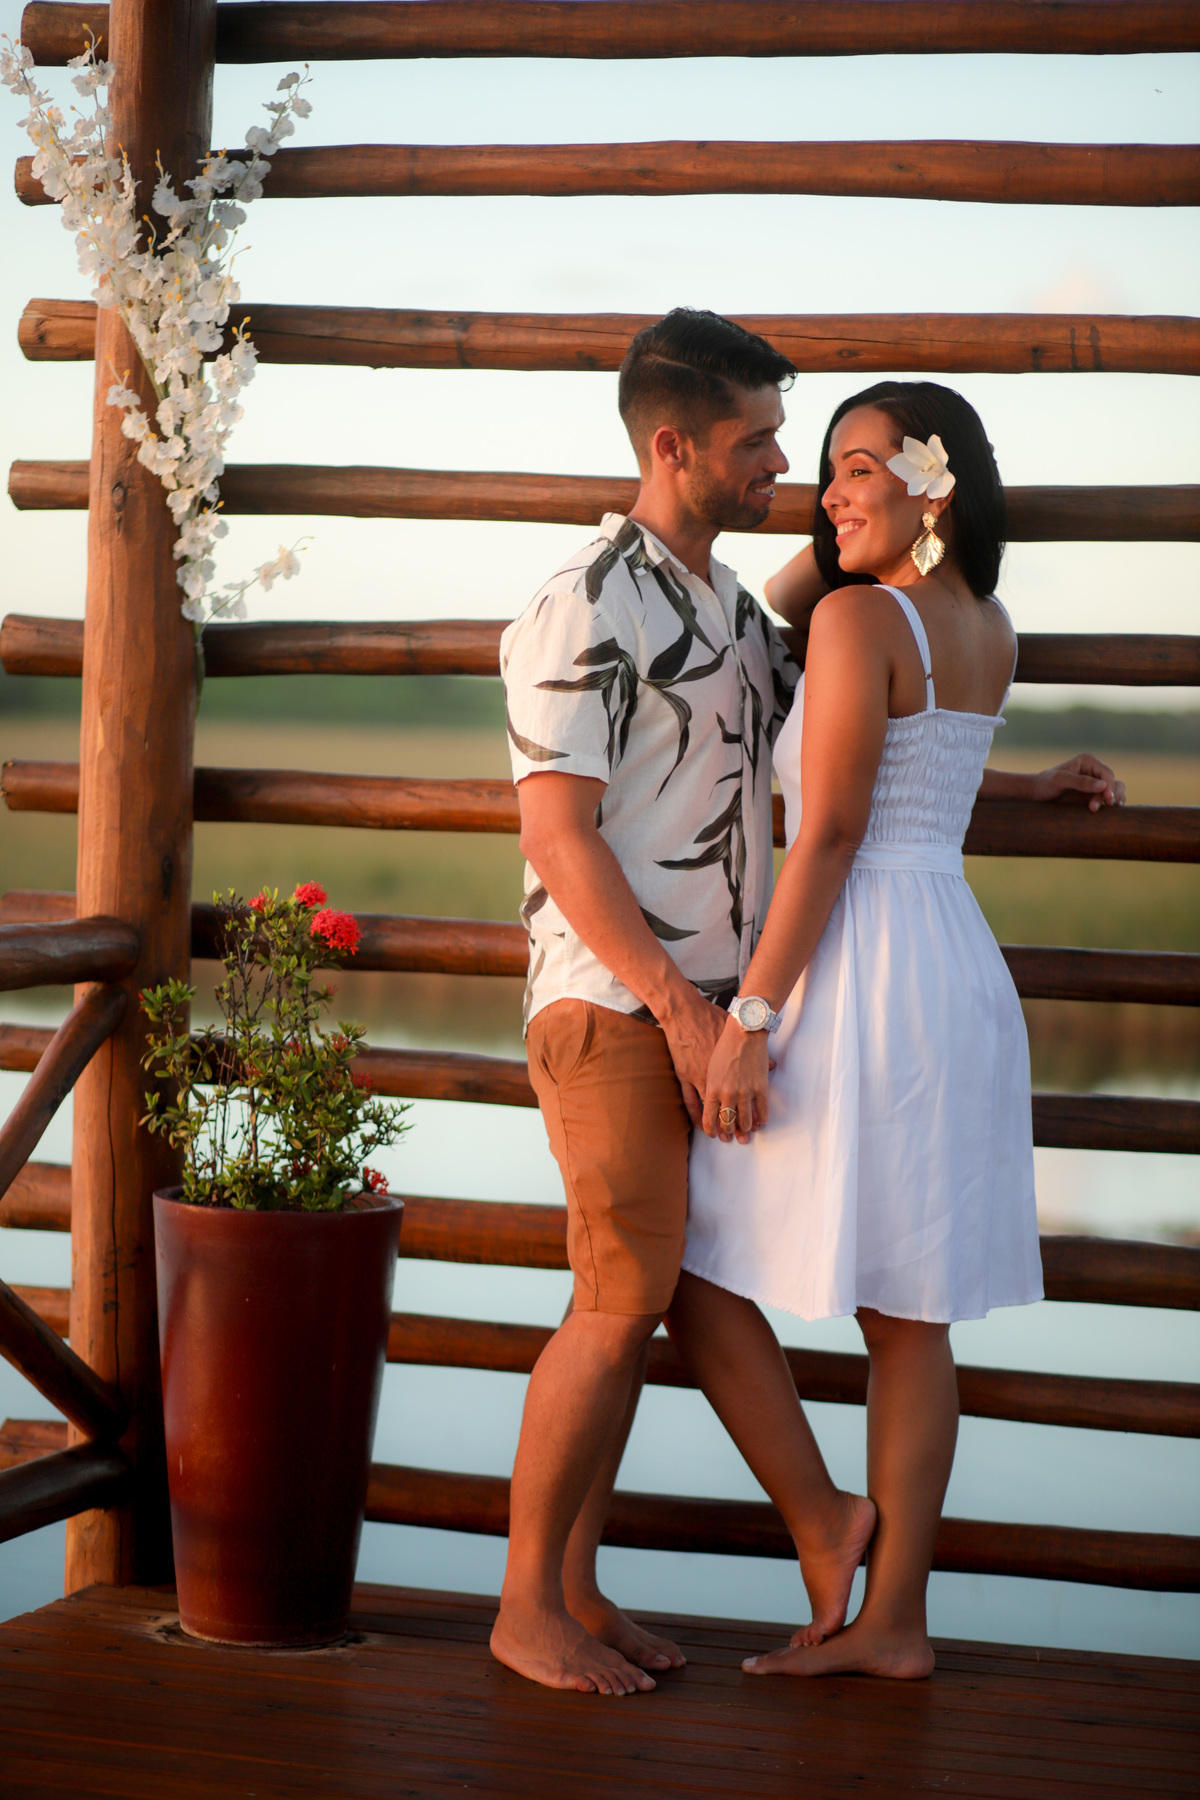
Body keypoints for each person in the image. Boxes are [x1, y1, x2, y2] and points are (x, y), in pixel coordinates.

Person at [678, 380, 1124, 1680]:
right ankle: (898, 1624)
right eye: (822, 472)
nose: (827, 493)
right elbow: (929, 771)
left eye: (857, 469)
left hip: (856, 964)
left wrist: (751, 1015)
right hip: (950, 965)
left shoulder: (862, 614)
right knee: (909, 1318)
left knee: (699, 1261)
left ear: (935, 483)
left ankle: (838, 1537)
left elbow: (826, 829)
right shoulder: (982, 618)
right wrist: (869, 515)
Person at [490, 309, 875, 1697]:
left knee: (675, 1289)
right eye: (756, 440)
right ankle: (524, 1603)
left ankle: (583, 1591)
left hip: (701, 1011)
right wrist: (685, 1013)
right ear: (672, 446)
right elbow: (559, 837)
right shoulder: (584, 600)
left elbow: (835, 762)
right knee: (620, 1294)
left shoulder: (720, 608)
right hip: (610, 1003)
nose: (782, 461)